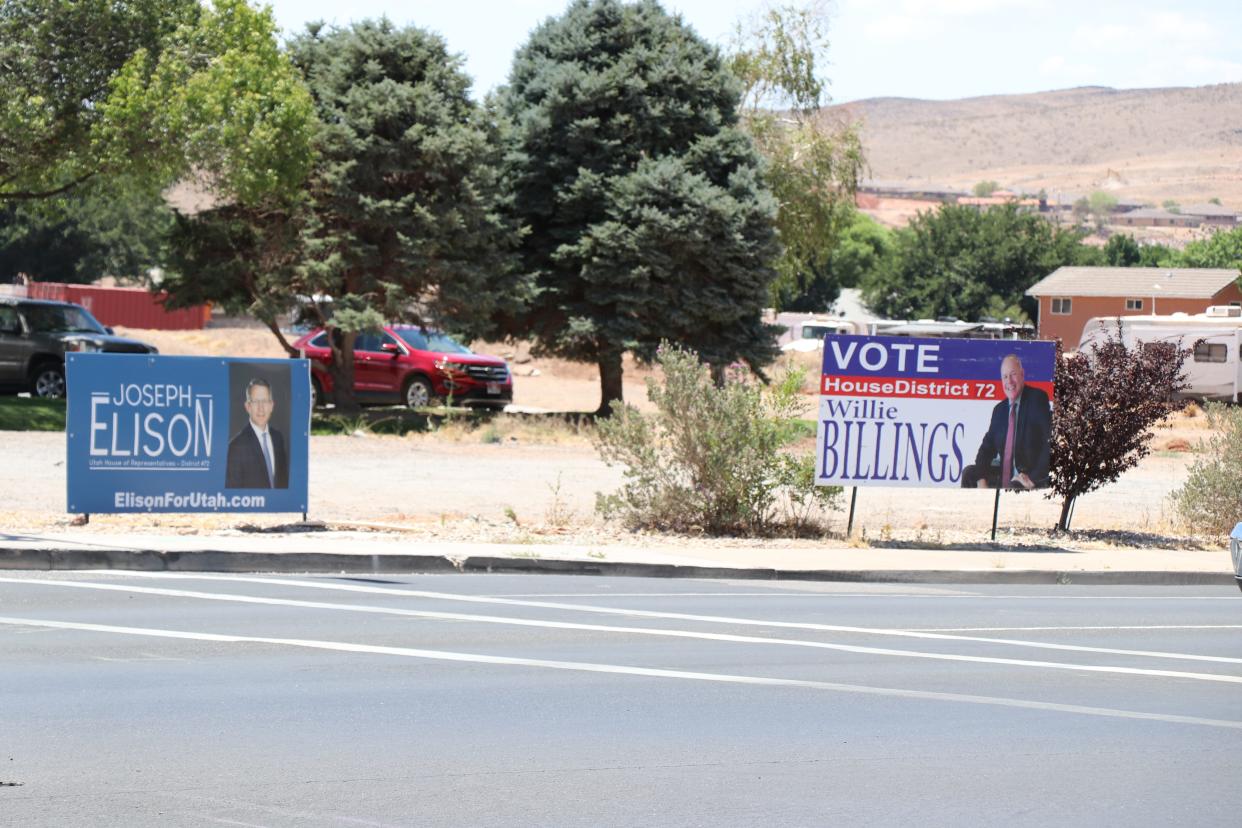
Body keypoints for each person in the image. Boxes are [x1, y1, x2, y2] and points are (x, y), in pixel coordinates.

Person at [960, 354, 1050, 490]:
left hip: (1026, 478)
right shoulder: (999, 410)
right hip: (1003, 476)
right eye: (1005, 377)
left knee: (1014, 487)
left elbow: (1049, 443)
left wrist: (1033, 478)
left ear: (1022, 374)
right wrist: (981, 480)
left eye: (1013, 374)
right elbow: (985, 450)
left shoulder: (1037, 399)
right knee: (969, 474)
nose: (1009, 381)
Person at [225, 377, 288, 489]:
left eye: (264, 401)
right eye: (255, 402)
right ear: (248, 406)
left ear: (271, 405)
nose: (261, 408)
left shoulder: (278, 438)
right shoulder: (235, 447)